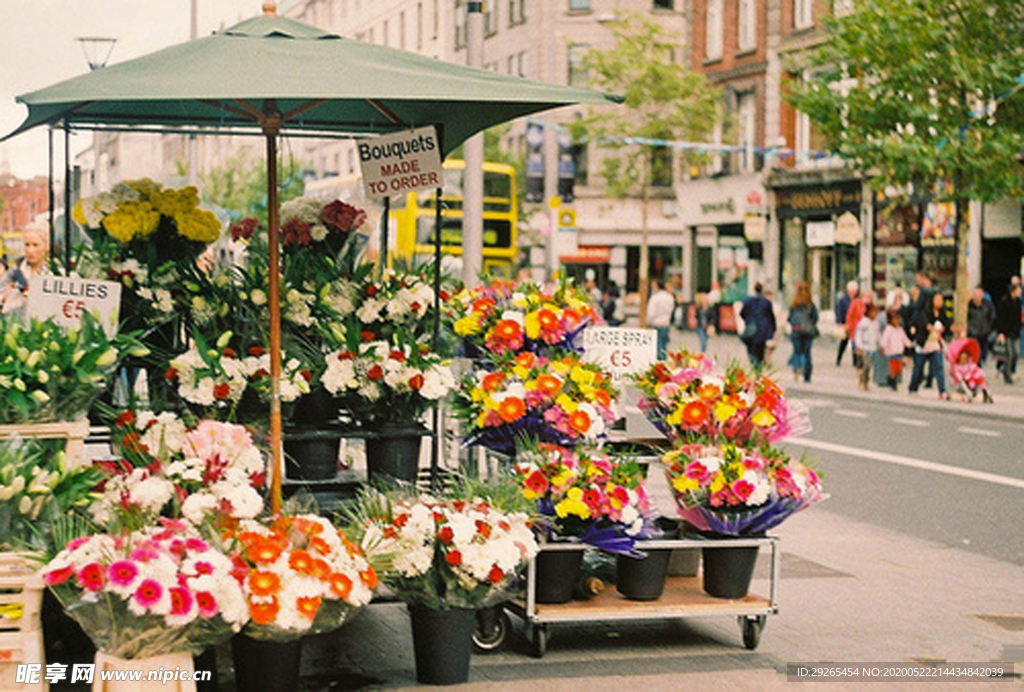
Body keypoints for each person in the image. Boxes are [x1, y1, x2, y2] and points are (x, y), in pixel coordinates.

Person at [1, 221, 53, 317]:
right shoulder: (13, 274)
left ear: (46, 246)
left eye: (35, 245)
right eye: (27, 245)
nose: (30, 250)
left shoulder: (55, 273)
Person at [908, 291, 951, 399]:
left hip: (935, 345)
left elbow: (947, 326)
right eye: (937, 300)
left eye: (941, 300)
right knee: (918, 368)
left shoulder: (942, 314)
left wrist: (944, 330)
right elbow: (920, 323)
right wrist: (927, 327)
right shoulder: (924, 312)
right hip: (924, 344)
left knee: (939, 367)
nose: (939, 302)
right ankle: (913, 387)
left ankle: (942, 391)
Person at [786, 281, 819, 382]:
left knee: (797, 352)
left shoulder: (794, 305)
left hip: (796, 331)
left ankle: (797, 368)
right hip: (808, 332)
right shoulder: (810, 305)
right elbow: (815, 318)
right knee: (807, 353)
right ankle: (807, 374)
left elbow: (790, 318)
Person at [739, 282, 776, 369]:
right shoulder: (766, 302)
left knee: (751, 350)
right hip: (763, 331)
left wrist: (748, 321)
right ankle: (758, 367)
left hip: (751, 330)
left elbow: (742, 313)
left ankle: (755, 366)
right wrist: (772, 330)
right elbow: (771, 317)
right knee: (760, 351)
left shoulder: (748, 301)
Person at [947, 337, 993, 404]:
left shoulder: (969, 363)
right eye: (962, 357)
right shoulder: (956, 366)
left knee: (979, 376)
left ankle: (985, 390)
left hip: (971, 377)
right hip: (964, 380)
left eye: (965, 357)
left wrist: (975, 372)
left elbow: (974, 368)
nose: (964, 359)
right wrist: (962, 377)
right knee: (970, 379)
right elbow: (957, 374)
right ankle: (972, 392)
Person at [994, 280, 1022, 384]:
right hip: (1006, 332)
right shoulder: (1004, 302)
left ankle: (1010, 370)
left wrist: (1019, 327)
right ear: (1013, 291)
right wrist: (1000, 332)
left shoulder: (1018, 302)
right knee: (1008, 354)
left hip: (1015, 332)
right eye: (1018, 290)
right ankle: (1007, 375)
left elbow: (1018, 317)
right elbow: (1000, 318)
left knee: (1016, 353)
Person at [879, 307, 913, 390]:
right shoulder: (889, 330)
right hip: (892, 351)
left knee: (899, 368)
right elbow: (884, 339)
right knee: (893, 368)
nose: (897, 322)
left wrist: (910, 344)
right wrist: (883, 347)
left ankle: (891, 379)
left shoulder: (900, 330)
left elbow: (904, 338)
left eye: (897, 320)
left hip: (899, 351)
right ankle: (892, 381)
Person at [853, 303, 881, 391]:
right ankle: (863, 381)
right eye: (873, 312)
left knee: (869, 366)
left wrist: (880, 345)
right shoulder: (864, 323)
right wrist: (859, 346)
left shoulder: (876, 324)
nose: (875, 315)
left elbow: (878, 335)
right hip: (864, 347)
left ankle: (865, 381)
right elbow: (858, 335)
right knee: (865, 365)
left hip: (872, 347)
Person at [966, 285, 996, 365]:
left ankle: (979, 365)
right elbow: (966, 318)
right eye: (975, 294)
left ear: (982, 295)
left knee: (983, 353)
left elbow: (992, 317)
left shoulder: (987, 305)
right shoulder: (969, 305)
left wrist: (989, 328)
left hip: (984, 332)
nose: (977, 297)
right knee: (975, 353)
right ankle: (976, 368)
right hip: (973, 332)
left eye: (979, 295)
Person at [647, 279, 675, 359]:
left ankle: (659, 362)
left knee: (657, 346)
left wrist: (648, 322)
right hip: (666, 323)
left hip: (656, 323)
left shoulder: (655, 298)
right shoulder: (670, 297)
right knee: (664, 345)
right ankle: (664, 360)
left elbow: (651, 312)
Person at [834, 280, 858, 366]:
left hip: (855, 324)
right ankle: (838, 359)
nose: (852, 293)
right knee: (844, 342)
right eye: (851, 291)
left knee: (855, 343)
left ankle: (855, 361)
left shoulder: (857, 299)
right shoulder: (843, 300)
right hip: (845, 323)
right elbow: (839, 311)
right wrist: (839, 321)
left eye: (854, 291)